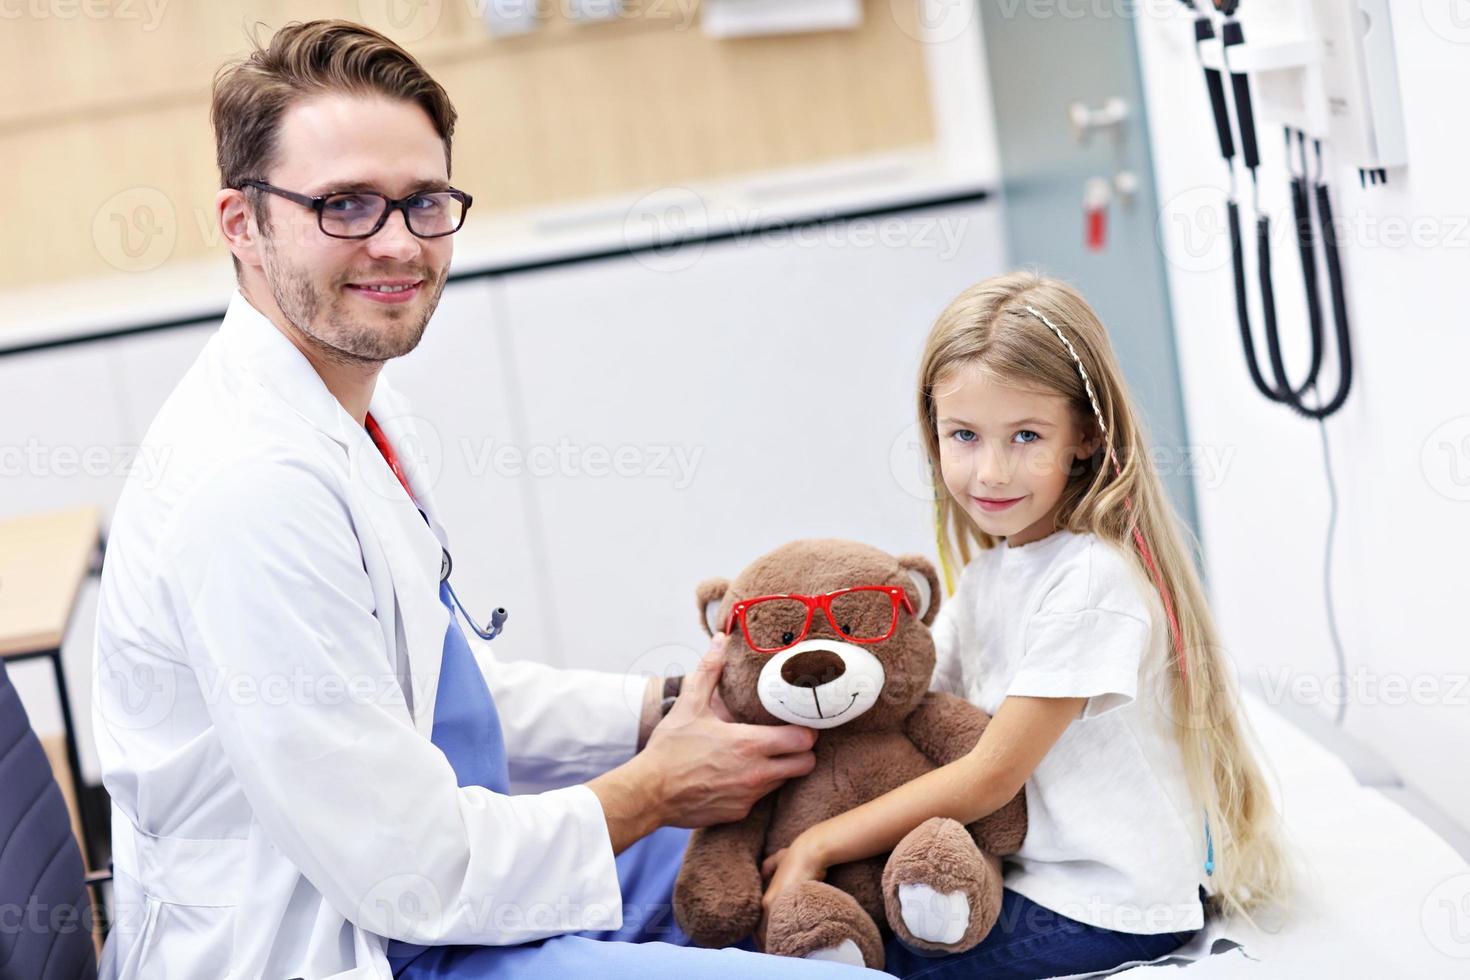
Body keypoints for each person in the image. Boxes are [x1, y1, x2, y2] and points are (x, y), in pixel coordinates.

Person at [92, 20, 880, 980]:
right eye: (344, 205)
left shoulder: (356, 415)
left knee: (829, 840)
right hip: (363, 945)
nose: (396, 243)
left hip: (447, 886)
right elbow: (409, 875)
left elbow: (430, 697)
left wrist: (672, 704)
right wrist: (654, 789)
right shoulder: (250, 489)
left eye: (423, 202)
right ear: (241, 223)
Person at [760, 271, 1296, 978]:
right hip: (1025, 875)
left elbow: (989, 776)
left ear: (1086, 435)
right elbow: (906, 701)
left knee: (881, 970)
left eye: (1025, 436)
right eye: (964, 435)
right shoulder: (989, 578)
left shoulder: (1091, 580)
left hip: (1103, 901)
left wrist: (817, 844)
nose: (990, 470)